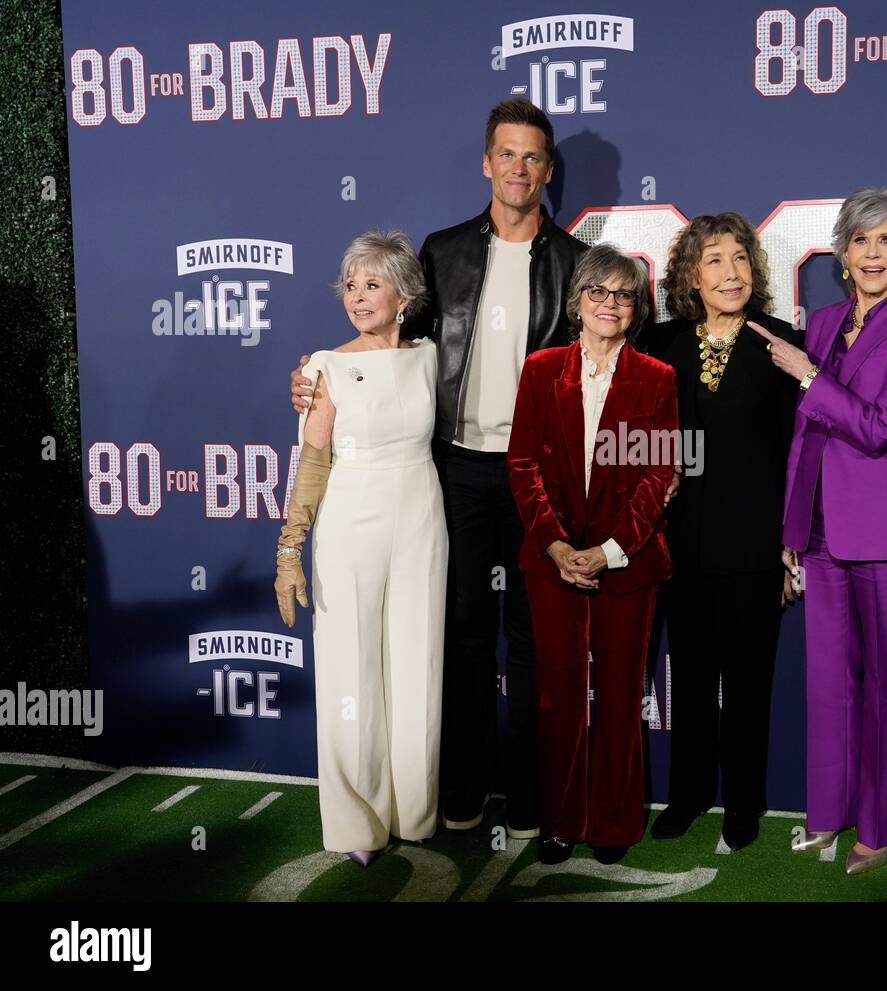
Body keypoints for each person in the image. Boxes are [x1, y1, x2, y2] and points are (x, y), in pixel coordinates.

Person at [289, 99, 586, 839]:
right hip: (453, 471)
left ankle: (528, 795)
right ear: (487, 162)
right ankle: (458, 790)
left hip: (536, 474)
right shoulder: (445, 251)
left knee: (535, 639)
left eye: (533, 158)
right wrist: (314, 374)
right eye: (506, 155)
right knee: (456, 635)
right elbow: (386, 342)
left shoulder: (575, 263)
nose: (519, 169)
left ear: (548, 171)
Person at [753, 186, 887, 875]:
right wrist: (791, 524)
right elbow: (807, 434)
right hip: (822, 532)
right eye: (860, 240)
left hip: (885, 533)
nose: (871, 253)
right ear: (841, 252)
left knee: (884, 684)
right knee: (828, 682)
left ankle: (882, 822)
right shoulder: (827, 319)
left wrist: (808, 374)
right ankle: (827, 812)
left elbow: (878, 425)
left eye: (886, 240)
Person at [275, 230, 447, 868]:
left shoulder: (429, 356)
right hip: (350, 521)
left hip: (423, 517)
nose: (358, 295)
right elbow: (313, 461)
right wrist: (290, 548)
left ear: (405, 292)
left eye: (373, 283)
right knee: (351, 668)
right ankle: (356, 822)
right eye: (350, 284)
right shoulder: (323, 366)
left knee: (417, 664)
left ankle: (412, 811)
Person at [506, 244, 678, 865]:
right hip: (549, 562)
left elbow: (660, 477)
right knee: (556, 696)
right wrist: (555, 545)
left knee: (617, 696)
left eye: (623, 295)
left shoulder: (657, 379)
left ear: (637, 308)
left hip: (627, 565)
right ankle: (559, 820)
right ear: (576, 302)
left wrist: (607, 552)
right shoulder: (541, 369)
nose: (610, 304)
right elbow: (522, 464)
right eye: (598, 293)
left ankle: (613, 823)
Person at [637, 213, 801, 852]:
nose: (730, 272)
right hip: (679, 544)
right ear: (690, 276)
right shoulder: (661, 344)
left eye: (739, 259)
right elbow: (640, 436)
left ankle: (743, 803)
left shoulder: (781, 343)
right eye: (714, 261)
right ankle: (686, 795)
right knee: (693, 678)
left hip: (755, 544)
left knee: (749, 679)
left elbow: (800, 452)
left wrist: (792, 545)